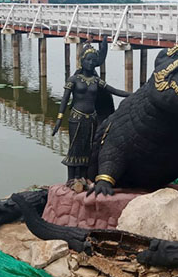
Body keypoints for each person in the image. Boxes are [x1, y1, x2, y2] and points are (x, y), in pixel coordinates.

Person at [53, 40, 129, 181]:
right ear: (82, 61)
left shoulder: (96, 81)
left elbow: (114, 90)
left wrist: (134, 94)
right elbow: (64, 100)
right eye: (88, 60)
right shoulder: (74, 80)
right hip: (76, 118)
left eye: (93, 60)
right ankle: (70, 179)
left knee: (88, 148)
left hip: (92, 118)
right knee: (75, 147)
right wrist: (59, 119)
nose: (90, 63)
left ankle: (83, 178)